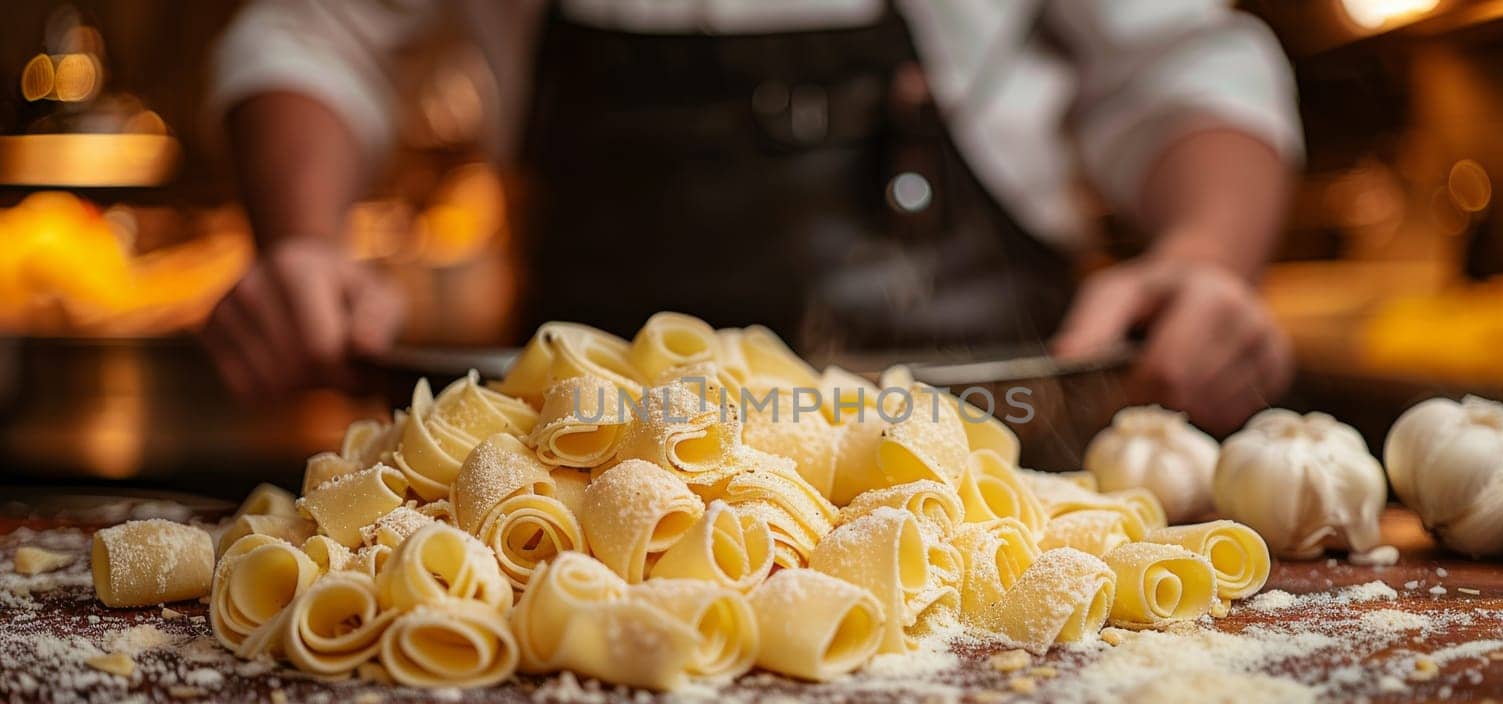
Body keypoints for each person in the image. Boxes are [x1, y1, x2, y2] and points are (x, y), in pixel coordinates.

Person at [203, 0, 1301, 432]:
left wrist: (1202, 254)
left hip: (993, 454)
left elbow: (1184, 66)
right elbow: (315, 33)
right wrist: (302, 237)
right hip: (579, 476)